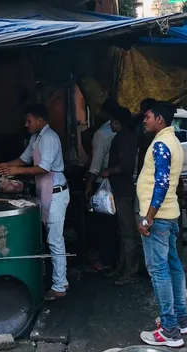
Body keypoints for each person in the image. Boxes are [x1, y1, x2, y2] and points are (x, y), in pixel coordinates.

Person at [0, 104, 70, 300]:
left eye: (29, 120)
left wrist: (15, 172)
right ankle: (58, 280)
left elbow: (43, 168)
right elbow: (23, 159)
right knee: (51, 238)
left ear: (41, 120)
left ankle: (60, 286)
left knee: (55, 240)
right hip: (46, 192)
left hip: (56, 193)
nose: (26, 124)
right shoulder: (36, 138)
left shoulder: (50, 138)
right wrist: (1, 166)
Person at [137, 101, 187, 348]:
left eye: (147, 116)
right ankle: (181, 319)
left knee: (159, 271)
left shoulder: (160, 144)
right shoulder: (174, 142)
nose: (144, 120)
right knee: (173, 266)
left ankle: (169, 330)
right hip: (170, 215)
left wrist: (147, 218)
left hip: (158, 218)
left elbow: (161, 185)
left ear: (159, 118)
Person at [99, 106, 140, 285]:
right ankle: (122, 268)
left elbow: (127, 164)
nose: (110, 125)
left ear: (117, 122)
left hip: (123, 191)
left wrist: (109, 171)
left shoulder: (123, 139)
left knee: (128, 233)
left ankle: (130, 272)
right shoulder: (125, 137)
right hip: (121, 190)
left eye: (112, 122)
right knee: (123, 232)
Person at [85, 100, 118, 271]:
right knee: (114, 224)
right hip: (119, 183)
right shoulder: (121, 132)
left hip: (103, 186)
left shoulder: (101, 133)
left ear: (106, 113)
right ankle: (114, 260)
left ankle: (105, 261)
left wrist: (89, 184)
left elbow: (96, 164)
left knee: (103, 224)